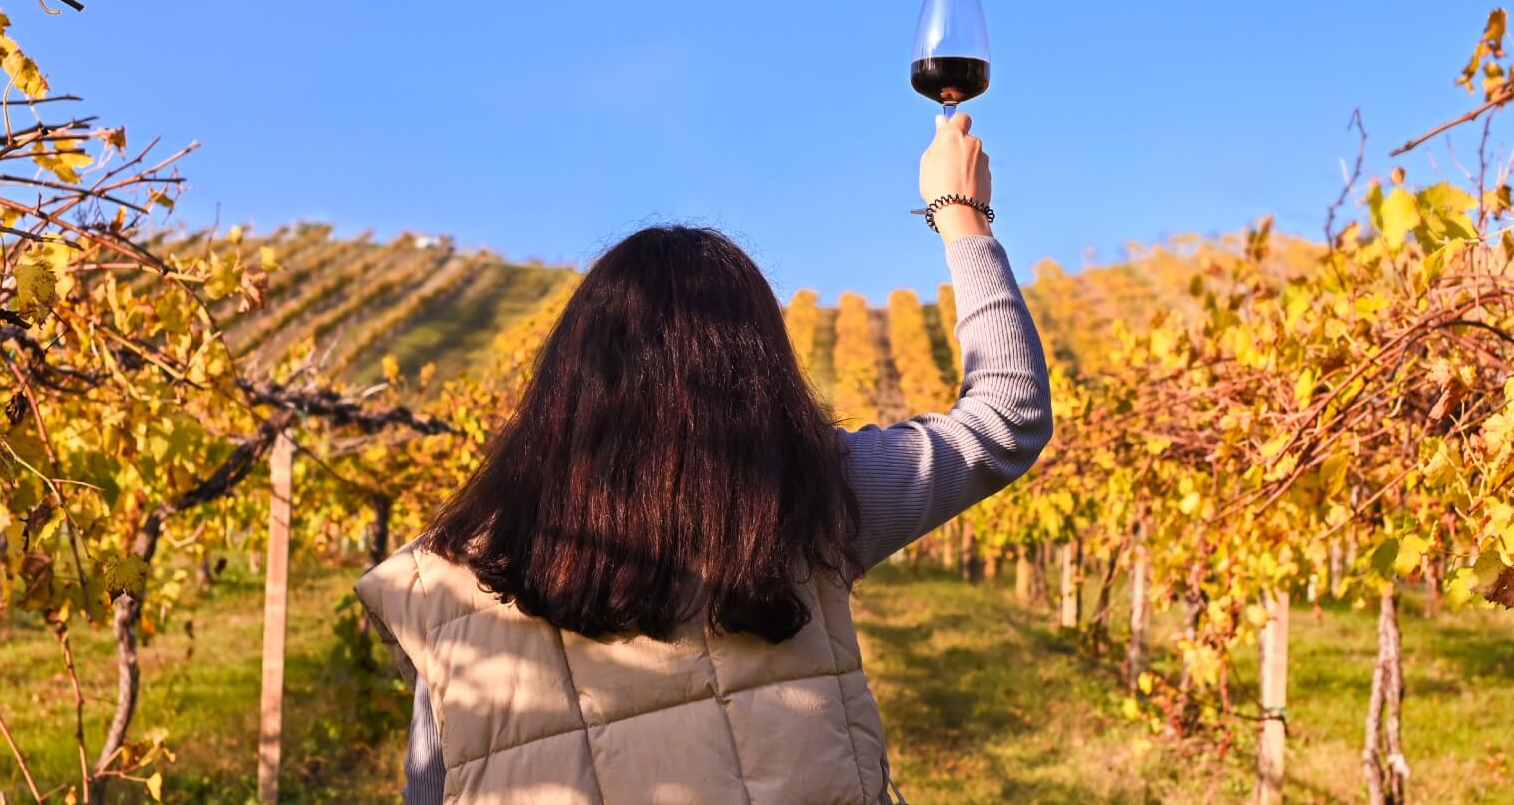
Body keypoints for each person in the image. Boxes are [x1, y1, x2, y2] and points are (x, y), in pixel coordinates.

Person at [357, 112, 1051, 804]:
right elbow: (1005, 417)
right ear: (759, 372)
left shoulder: (447, 580)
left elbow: (434, 790)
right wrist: (960, 212)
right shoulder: (809, 503)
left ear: (568, 377)